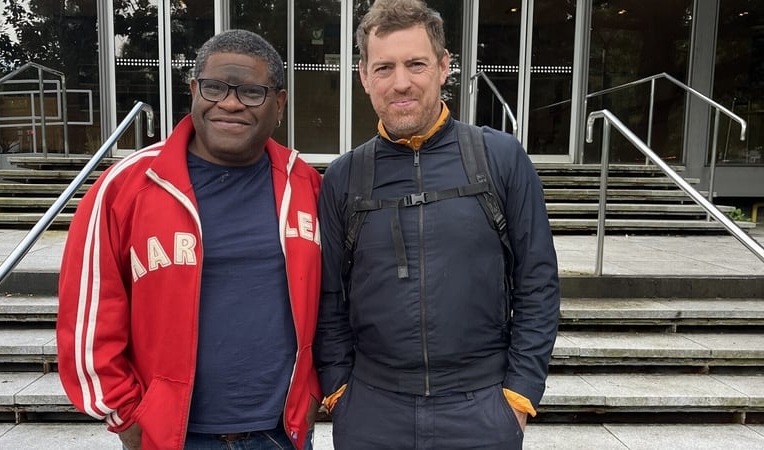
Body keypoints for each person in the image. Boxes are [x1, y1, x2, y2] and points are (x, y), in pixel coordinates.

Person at [56, 29, 322, 450]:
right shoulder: (125, 187)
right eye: (215, 88)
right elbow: (88, 318)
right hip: (174, 437)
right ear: (194, 90)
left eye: (252, 92)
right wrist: (125, 413)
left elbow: (331, 302)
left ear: (280, 104)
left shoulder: (305, 184)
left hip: (280, 433)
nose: (230, 103)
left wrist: (314, 391)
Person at [314, 0, 560, 449]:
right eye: (384, 67)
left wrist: (520, 394)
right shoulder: (343, 177)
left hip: (481, 408)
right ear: (364, 76)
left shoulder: (500, 158)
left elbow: (537, 281)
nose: (401, 82)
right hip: (372, 411)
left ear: (444, 67)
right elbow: (328, 296)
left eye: (416, 64)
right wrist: (338, 391)